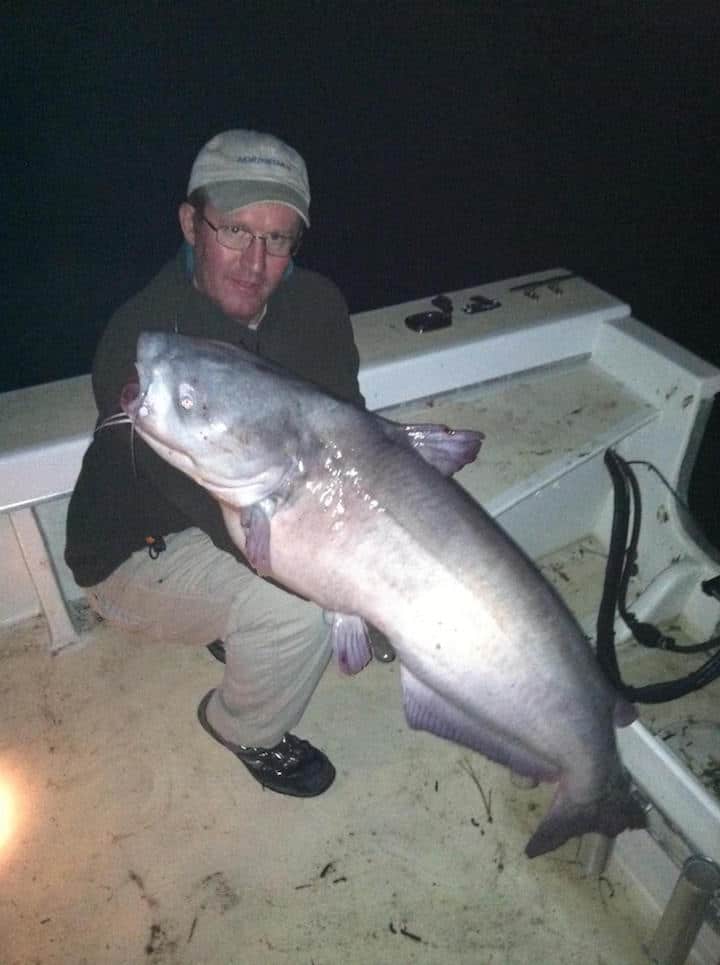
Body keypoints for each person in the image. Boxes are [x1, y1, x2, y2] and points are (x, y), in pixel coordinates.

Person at [65, 129, 366, 798]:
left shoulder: (317, 305)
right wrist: (355, 589)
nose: (255, 262)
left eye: (278, 239)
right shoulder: (145, 348)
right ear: (190, 224)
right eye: (234, 230)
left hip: (246, 511)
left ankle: (236, 627)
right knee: (302, 613)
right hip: (137, 551)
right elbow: (216, 515)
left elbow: (347, 441)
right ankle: (243, 728)